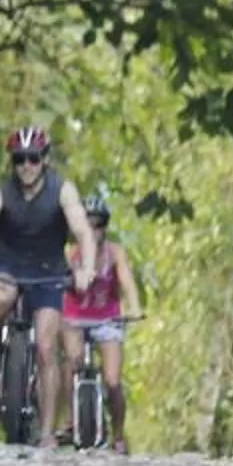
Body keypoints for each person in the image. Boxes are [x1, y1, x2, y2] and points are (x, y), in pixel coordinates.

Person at [0, 123, 98, 448]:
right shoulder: (2, 193)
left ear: (44, 158)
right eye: (19, 159)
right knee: (0, 298)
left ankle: (46, 431)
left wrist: (86, 267)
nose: (26, 166)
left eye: (32, 158)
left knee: (45, 346)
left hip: (49, 269)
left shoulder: (62, 190)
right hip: (9, 263)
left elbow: (83, 231)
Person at [58, 185, 143, 452]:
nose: (93, 231)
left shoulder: (114, 253)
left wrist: (135, 307)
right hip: (74, 318)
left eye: (98, 226)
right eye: (88, 225)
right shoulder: (69, 254)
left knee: (113, 380)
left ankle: (118, 435)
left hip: (107, 320)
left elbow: (127, 282)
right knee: (70, 363)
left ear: (104, 228)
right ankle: (69, 422)